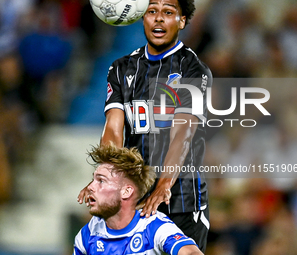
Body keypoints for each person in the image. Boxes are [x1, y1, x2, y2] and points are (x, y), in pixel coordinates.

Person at [78, 0, 212, 251]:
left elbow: (183, 132)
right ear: (142, 17)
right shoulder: (120, 69)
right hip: (134, 198)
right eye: (152, 11)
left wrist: (164, 184)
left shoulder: (193, 69)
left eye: (168, 12)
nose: (159, 18)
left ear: (182, 21)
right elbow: (113, 129)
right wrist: (105, 177)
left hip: (182, 200)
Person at [74, 144, 203, 255]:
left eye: (101, 180)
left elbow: (190, 251)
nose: (90, 187)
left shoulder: (152, 226)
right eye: (93, 179)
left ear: (126, 191)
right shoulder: (88, 234)